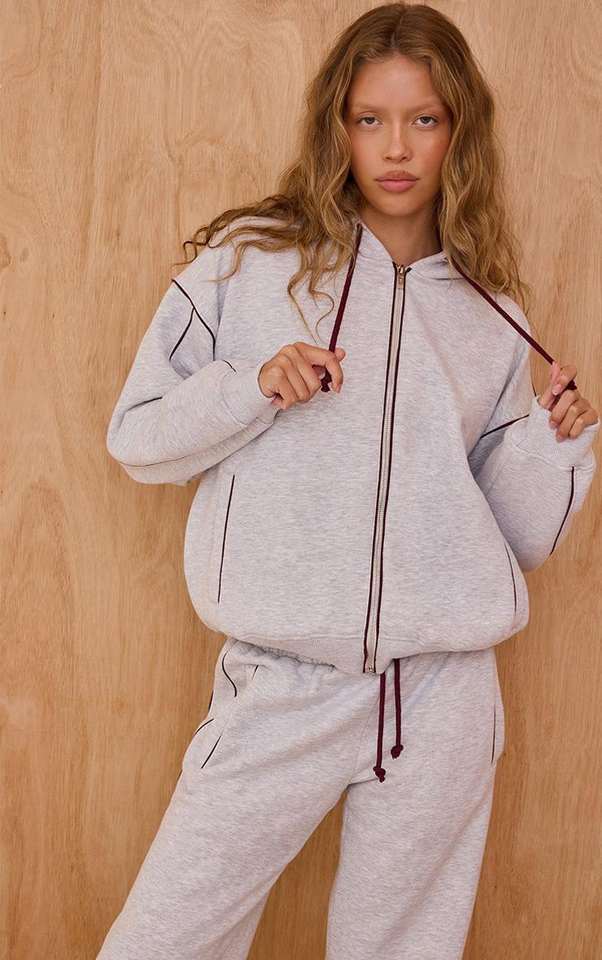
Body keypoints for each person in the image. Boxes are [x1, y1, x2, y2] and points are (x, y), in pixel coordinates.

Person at [96, 4, 599, 959]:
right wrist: (252, 387)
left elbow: (516, 538)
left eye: (425, 119)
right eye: (371, 119)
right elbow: (139, 439)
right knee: (162, 941)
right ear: (338, 126)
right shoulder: (249, 265)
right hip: (282, 680)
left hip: (442, 693)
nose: (396, 148)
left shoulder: (491, 310)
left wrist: (553, 445)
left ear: (460, 131)